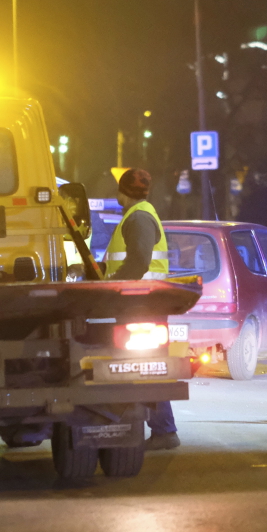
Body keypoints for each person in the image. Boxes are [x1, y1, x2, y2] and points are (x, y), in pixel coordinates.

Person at [104, 168, 178, 450]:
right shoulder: (140, 214)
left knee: (147, 367)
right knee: (149, 366)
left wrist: (111, 285)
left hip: (141, 302)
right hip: (145, 301)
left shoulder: (138, 218)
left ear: (123, 192)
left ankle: (164, 430)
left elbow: (138, 263)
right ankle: (163, 430)